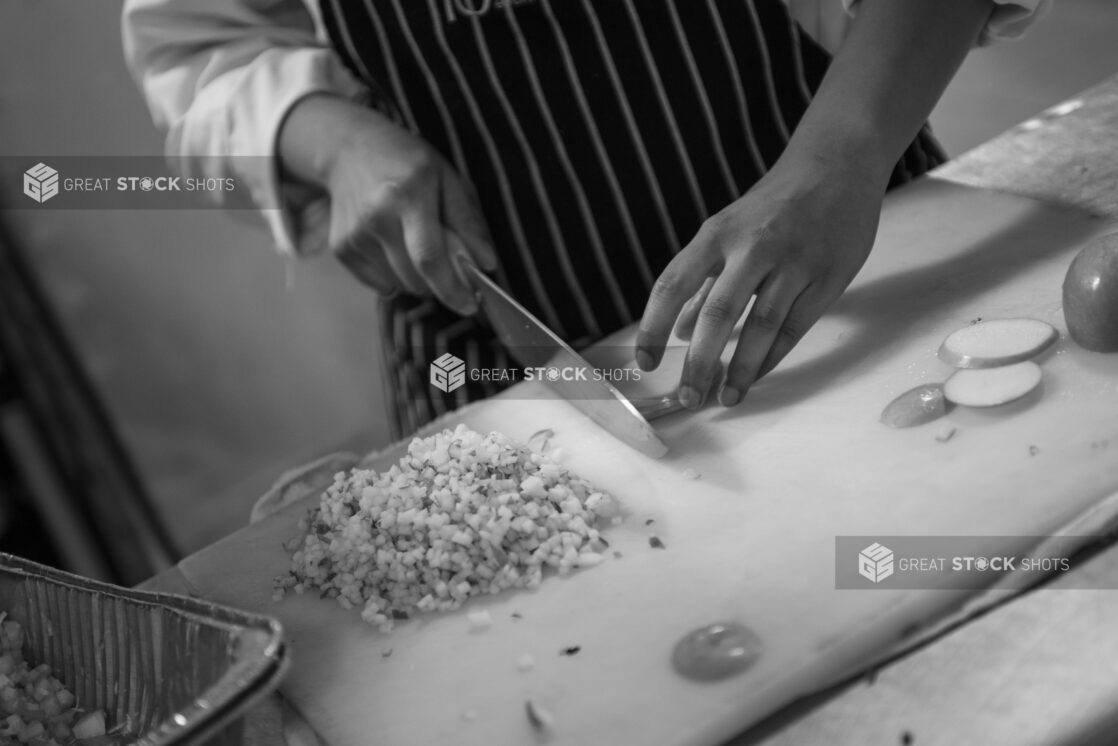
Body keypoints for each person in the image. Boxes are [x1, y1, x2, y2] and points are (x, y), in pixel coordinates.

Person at [123, 0, 1048, 439]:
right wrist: (332, 142)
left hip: (854, 265)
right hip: (489, 351)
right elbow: (203, 56)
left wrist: (835, 162)